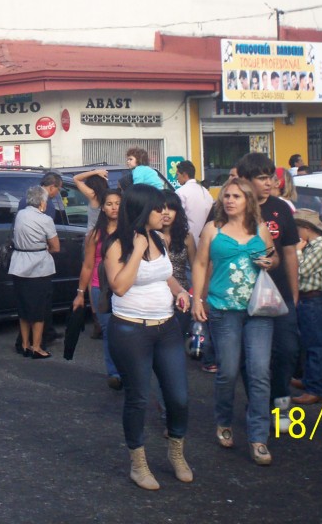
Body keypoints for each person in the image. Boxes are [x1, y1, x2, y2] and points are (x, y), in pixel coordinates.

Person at [104, 184, 193, 489]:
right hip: (130, 331)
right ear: (142, 210)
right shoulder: (117, 244)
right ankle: (138, 464)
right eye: (158, 208)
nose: (164, 213)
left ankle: (176, 452)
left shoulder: (159, 238)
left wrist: (180, 291)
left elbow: (163, 272)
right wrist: (138, 251)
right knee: (138, 398)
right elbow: (119, 286)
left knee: (179, 397)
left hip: (166, 327)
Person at [191, 177, 278, 466]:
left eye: (236, 196)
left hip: (259, 310)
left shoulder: (260, 229)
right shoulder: (212, 230)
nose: (229, 200)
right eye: (226, 196)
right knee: (227, 370)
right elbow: (201, 263)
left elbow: (273, 257)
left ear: (248, 201)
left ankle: (258, 437)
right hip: (223, 308)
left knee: (259, 372)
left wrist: (269, 262)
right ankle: (224, 420)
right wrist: (196, 300)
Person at [236, 152, 300, 427]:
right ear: (246, 181)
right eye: (262, 178)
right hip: (244, 296)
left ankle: (281, 400)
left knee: (286, 350)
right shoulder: (233, 206)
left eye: (271, 177)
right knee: (250, 357)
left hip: (280, 295)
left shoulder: (282, 208)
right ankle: (258, 403)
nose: (270, 182)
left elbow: (289, 254)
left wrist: (294, 295)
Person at [74, 188, 122, 389]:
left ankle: (128, 369)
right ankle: (115, 373)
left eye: (118, 203)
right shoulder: (95, 234)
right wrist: (81, 294)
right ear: (102, 207)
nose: (114, 208)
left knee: (126, 332)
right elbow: (88, 265)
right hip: (99, 288)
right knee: (108, 331)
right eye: (109, 204)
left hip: (125, 288)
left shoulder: (131, 232)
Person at [9, 186, 60, 359]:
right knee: (39, 310)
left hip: (18, 264)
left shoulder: (20, 215)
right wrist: (44, 246)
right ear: (42, 202)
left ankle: (24, 344)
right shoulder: (45, 220)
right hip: (38, 267)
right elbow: (56, 247)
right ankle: (37, 347)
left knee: (23, 309)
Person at [289, 209, 322, 406]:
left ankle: (316, 388)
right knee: (309, 342)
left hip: (314, 300)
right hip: (308, 299)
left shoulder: (319, 247)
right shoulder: (313, 246)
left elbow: (301, 270)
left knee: (316, 344)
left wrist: (297, 251)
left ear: (306, 229)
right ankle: (309, 381)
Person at [160, 190, 196, 338]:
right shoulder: (148, 236)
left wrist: (197, 296)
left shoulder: (187, 237)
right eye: (162, 208)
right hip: (157, 296)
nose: (166, 213)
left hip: (181, 298)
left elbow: (196, 268)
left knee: (177, 340)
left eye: (171, 208)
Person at [174, 161, 213, 247]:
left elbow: (177, 218)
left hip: (188, 242)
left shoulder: (180, 192)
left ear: (184, 174)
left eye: (177, 175)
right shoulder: (205, 191)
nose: (177, 178)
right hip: (207, 241)